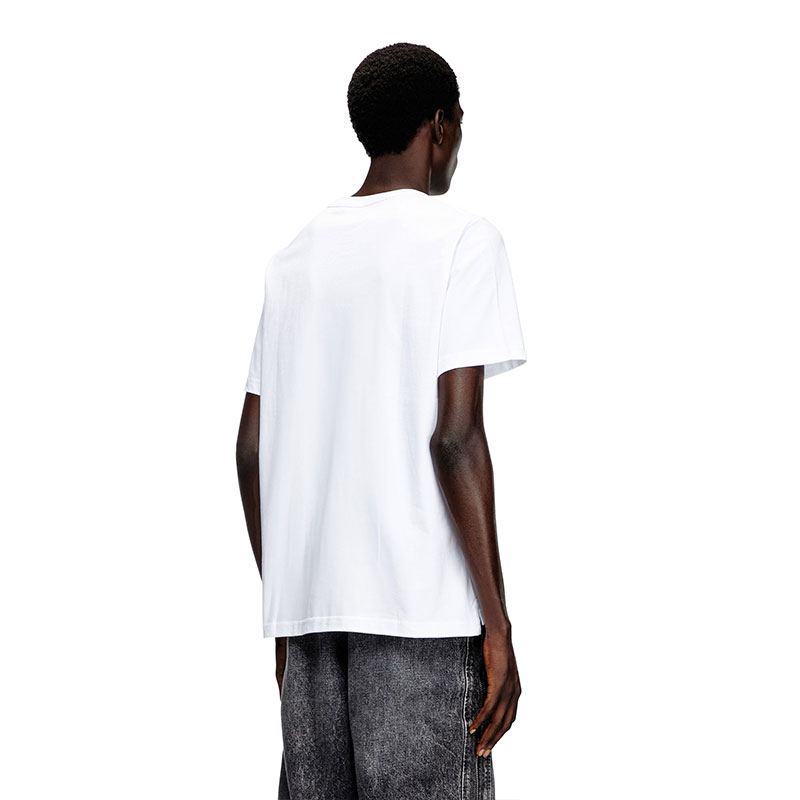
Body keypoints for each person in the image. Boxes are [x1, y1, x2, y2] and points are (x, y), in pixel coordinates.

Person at [236, 41, 526, 800]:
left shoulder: (293, 259)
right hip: (421, 619)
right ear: (439, 125)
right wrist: (497, 623)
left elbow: (251, 448)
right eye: (458, 125)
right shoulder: (462, 241)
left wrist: (286, 608)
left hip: (310, 625)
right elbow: (455, 437)